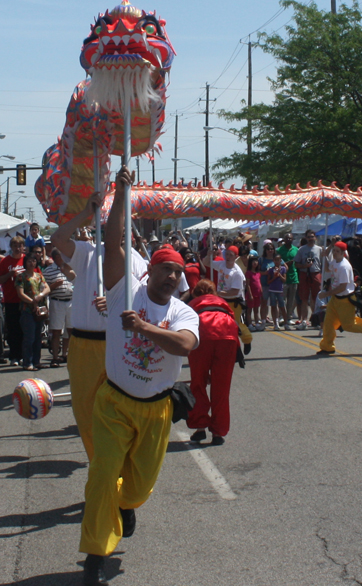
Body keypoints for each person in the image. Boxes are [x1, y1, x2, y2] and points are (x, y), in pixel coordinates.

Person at [79, 167, 198, 585]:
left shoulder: (184, 312)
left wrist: (144, 328)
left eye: (177, 273)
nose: (171, 276)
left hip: (155, 412)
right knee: (100, 476)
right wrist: (120, 192)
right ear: (152, 272)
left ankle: (127, 505)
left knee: (139, 487)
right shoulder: (121, 290)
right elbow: (112, 242)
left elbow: (184, 346)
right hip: (112, 402)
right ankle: (96, 550)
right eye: (166, 269)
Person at [51, 187, 148, 462]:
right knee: (86, 412)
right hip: (84, 345)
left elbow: (143, 296)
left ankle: (119, 469)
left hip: (120, 341)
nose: (116, 229)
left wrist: (118, 302)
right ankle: (102, 470)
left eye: (121, 225)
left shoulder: (136, 259)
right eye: (111, 225)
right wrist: (84, 213)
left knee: (123, 410)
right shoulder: (86, 252)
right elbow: (58, 238)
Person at [187, 279, 239, 446]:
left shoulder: (193, 303)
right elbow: (235, 322)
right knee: (221, 387)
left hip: (203, 333)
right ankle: (218, 431)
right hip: (228, 336)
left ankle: (200, 426)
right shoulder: (223, 302)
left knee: (198, 382)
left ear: (196, 292)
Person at [318, 241, 362, 355]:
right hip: (335, 299)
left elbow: (342, 287)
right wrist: (324, 257)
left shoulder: (344, 267)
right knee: (328, 322)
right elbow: (327, 269)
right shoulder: (335, 262)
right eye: (334, 251)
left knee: (349, 325)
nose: (335, 253)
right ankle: (327, 346)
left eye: (337, 251)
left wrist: (326, 294)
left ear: (343, 253)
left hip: (345, 300)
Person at [203, 244, 252, 354]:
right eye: (227, 254)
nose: (228, 257)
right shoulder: (221, 264)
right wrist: (208, 255)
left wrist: (218, 292)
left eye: (231, 255)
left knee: (236, 325)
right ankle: (230, 347)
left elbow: (235, 291)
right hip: (222, 300)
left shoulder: (237, 273)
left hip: (234, 302)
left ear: (236, 257)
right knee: (222, 324)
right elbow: (206, 263)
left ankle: (246, 340)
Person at [15, 252, 50, 371]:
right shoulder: (21, 276)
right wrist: (33, 302)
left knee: (37, 337)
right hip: (27, 311)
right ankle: (27, 362)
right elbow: (20, 294)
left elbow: (47, 288)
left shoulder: (39, 276)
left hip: (39, 311)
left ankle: (37, 361)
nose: (32, 263)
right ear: (25, 262)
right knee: (29, 338)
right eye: (29, 261)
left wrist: (40, 296)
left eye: (34, 260)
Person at [43, 247, 75, 367]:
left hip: (71, 301)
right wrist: (54, 286)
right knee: (56, 331)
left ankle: (65, 355)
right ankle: (55, 357)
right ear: (57, 257)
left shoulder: (70, 268)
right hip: (57, 302)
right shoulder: (48, 271)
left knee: (70, 330)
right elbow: (44, 290)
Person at [0, 236, 26, 365]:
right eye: (15, 246)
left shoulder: (27, 260)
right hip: (11, 300)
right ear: (11, 247)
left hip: (26, 300)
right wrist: (11, 274)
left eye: (19, 246)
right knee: (13, 329)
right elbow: (1, 279)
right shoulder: (5, 262)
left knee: (25, 329)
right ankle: (14, 356)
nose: (17, 248)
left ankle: (23, 355)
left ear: (23, 247)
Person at [294, 229, 322, 330]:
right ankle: (304, 320)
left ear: (315, 237)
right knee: (304, 298)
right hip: (304, 274)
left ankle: (314, 319)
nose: (310, 239)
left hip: (315, 273)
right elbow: (296, 263)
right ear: (306, 238)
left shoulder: (319, 249)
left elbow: (323, 263)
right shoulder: (301, 249)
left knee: (315, 298)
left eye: (312, 236)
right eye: (309, 237)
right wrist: (304, 265)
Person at [277, 233, 299, 324]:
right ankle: (281, 317)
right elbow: (276, 262)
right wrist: (286, 264)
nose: (289, 240)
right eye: (287, 238)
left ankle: (289, 317)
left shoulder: (296, 249)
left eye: (290, 238)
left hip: (293, 278)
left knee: (291, 300)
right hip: (283, 278)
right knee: (282, 299)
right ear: (284, 240)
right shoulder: (279, 250)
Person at [267, 253, 290, 330]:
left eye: (278, 260)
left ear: (281, 261)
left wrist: (279, 274)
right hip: (272, 290)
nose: (277, 262)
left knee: (282, 306)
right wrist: (274, 277)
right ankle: (275, 323)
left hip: (280, 290)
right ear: (273, 261)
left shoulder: (283, 269)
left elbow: (284, 280)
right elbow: (269, 281)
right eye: (275, 260)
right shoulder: (271, 270)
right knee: (273, 306)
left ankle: (286, 323)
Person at [257, 241, 276, 329]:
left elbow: (285, 267)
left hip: (274, 284)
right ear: (265, 250)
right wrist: (265, 273)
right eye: (268, 249)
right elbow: (257, 271)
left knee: (274, 304)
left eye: (272, 249)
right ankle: (263, 322)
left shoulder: (276, 259)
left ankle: (275, 322)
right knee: (264, 303)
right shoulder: (261, 260)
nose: (270, 251)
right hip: (264, 284)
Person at [245, 256, 262, 329]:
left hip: (257, 294)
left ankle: (257, 322)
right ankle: (250, 324)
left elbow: (259, 283)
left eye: (256, 261)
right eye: (253, 261)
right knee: (249, 310)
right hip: (251, 294)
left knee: (256, 309)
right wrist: (250, 294)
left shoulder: (258, 273)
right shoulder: (248, 273)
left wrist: (261, 291)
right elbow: (248, 284)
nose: (255, 263)